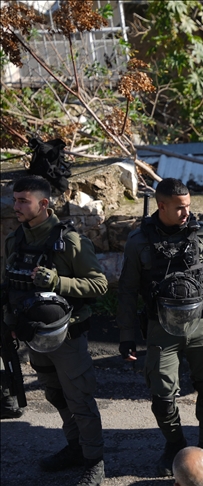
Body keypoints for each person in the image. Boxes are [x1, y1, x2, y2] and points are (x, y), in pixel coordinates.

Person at [116, 178, 203, 476]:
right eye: (180, 208)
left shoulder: (201, 234)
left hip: (202, 324)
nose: (186, 213)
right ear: (161, 206)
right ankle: (176, 446)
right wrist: (126, 336)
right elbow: (127, 291)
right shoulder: (139, 241)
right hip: (161, 328)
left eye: (189, 206)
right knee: (162, 397)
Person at [2, 175, 108, 485]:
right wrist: (9, 323)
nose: (16, 206)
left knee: (79, 399)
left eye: (24, 201)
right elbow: (9, 284)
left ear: (44, 204)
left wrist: (57, 282)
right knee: (55, 394)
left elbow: (99, 284)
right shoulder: (15, 240)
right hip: (33, 336)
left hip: (67, 336)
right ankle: (75, 447)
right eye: (15, 199)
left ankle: (95, 460)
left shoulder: (69, 242)